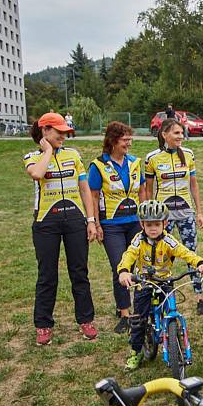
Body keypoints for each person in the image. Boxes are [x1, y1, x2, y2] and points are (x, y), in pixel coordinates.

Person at [23, 112, 98, 346]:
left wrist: (91, 220)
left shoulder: (73, 155)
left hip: (75, 220)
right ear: (45, 131)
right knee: (47, 275)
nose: (64, 136)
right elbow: (37, 174)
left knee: (79, 271)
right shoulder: (32, 157)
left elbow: (84, 189)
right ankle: (43, 325)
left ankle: (85, 320)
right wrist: (47, 151)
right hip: (46, 222)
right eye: (59, 133)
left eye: (66, 133)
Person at [117, 200, 203, 371]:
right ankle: (136, 352)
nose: (153, 228)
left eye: (157, 224)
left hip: (165, 283)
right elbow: (128, 255)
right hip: (143, 283)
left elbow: (185, 252)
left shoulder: (169, 240)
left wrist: (199, 263)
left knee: (171, 308)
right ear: (142, 224)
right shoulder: (138, 241)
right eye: (149, 225)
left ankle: (175, 336)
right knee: (139, 320)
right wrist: (123, 271)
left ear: (165, 223)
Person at [145, 118, 203, 314]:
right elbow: (148, 190)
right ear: (164, 134)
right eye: (176, 133)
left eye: (182, 133)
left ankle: (199, 297)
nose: (181, 136)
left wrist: (199, 212)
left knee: (191, 254)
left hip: (186, 212)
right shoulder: (152, 158)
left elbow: (194, 185)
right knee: (162, 256)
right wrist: (150, 217)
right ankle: (162, 295)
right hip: (163, 216)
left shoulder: (188, 155)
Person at [89, 121, 147, 335]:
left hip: (134, 222)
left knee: (137, 266)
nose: (129, 144)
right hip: (111, 224)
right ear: (113, 141)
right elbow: (93, 196)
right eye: (125, 140)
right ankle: (125, 314)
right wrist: (95, 222)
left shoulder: (134, 163)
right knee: (120, 266)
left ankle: (137, 306)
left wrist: (145, 217)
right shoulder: (98, 166)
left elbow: (142, 191)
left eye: (130, 140)